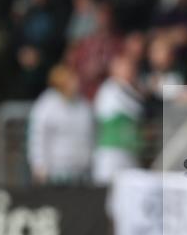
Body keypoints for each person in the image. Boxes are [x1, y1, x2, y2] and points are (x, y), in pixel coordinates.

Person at [27, 65, 94, 183]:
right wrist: (39, 165)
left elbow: (89, 135)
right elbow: (38, 136)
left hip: (81, 170)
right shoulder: (46, 105)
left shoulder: (83, 105)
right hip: (56, 171)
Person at [92, 54, 143, 184]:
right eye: (124, 67)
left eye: (131, 67)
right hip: (111, 153)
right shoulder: (108, 90)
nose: (129, 70)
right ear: (114, 70)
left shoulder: (133, 90)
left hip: (130, 151)